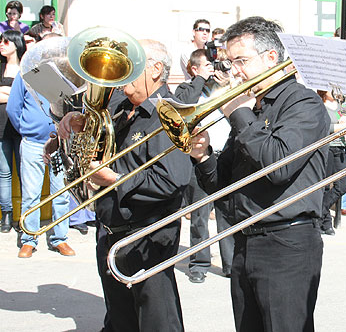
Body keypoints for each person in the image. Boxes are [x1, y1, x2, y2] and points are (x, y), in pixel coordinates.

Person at [190, 16, 328, 332]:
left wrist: (239, 113)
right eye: (230, 61)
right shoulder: (254, 109)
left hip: (287, 243)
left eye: (241, 60)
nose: (234, 70)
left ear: (271, 58)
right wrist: (203, 156)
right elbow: (222, 187)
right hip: (244, 241)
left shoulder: (302, 103)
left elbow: (278, 166)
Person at [57, 39, 191, 331]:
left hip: (147, 240)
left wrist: (114, 180)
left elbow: (172, 181)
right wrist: (70, 124)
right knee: (119, 320)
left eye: (132, 64)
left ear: (155, 69)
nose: (122, 71)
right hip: (110, 232)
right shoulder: (119, 106)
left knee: (157, 322)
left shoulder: (169, 114)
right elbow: (89, 126)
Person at [7, 55, 75, 258]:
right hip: (32, 143)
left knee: (61, 194)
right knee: (30, 195)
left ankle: (60, 239)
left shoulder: (64, 74)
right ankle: (29, 239)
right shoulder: (25, 75)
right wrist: (27, 130)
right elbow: (13, 108)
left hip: (60, 143)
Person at [174, 49, 233, 282]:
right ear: (194, 68)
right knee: (199, 214)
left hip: (224, 154)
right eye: (207, 65)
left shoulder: (221, 87)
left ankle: (230, 263)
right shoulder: (186, 89)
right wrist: (200, 80)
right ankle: (199, 263)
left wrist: (227, 84)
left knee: (226, 212)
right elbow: (183, 105)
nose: (212, 69)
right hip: (199, 158)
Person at [0, 31, 25, 232]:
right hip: (1, 127)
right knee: (4, 173)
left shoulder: (25, 67)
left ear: (16, 43)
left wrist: (5, 92)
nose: (2, 44)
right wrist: (14, 93)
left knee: (23, 173)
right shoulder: (0, 67)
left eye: (6, 41)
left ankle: (24, 217)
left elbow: (28, 95)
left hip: (21, 126)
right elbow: (19, 95)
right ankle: (7, 215)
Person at [317, 90, 346, 235]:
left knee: (343, 186)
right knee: (324, 186)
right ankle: (325, 222)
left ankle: (320, 212)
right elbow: (321, 127)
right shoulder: (320, 105)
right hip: (327, 148)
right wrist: (338, 126)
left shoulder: (340, 105)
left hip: (340, 147)